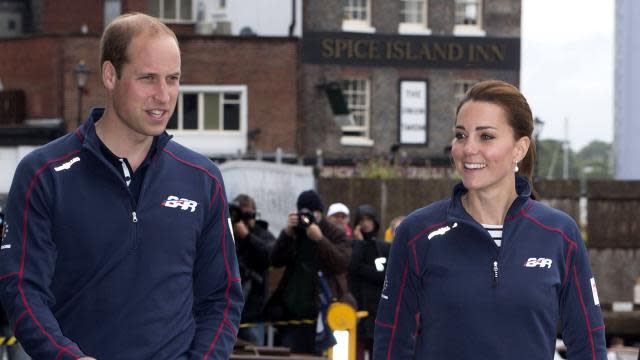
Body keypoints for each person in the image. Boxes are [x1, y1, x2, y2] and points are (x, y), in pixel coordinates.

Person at [0, 13, 243, 360]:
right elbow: (21, 289)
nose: (163, 95)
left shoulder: (203, 179)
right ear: (110, 75)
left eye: (172, 79)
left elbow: (222, 296)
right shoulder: (43, 174)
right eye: (148, 79)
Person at [374, 80, 607, 359]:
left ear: (519, 149)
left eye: (486, 136)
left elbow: (588, 345)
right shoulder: (416, 233)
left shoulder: (560, 234)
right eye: (461, 135)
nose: (468, 148)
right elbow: (391, 342)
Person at [266, 190, 353, 355]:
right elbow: (274, 260)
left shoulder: (334, 233)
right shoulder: (295, 232)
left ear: (321, 213)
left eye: (313, 213)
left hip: (322, 311)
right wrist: (287, 234)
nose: (308, 218)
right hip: (293, 313)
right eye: (303, 213)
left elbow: (341, 264)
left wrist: (320, 239)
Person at [231, 194, 275, 346]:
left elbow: (270, 255)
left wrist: (247, 236)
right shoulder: (226, 233)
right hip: (226, 313)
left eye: (247, 215)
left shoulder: (262, 234)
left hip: (253, 314)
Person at [348, 204, 389, 360]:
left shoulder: (384, 248)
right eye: (362, 220)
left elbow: (384, 277)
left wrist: (362, 270)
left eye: (369, 219)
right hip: (357, 310)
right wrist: (358, 243)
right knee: (354, 352)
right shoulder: (352, 246)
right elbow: (352, 269)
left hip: (378, 310)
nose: (366, 223)